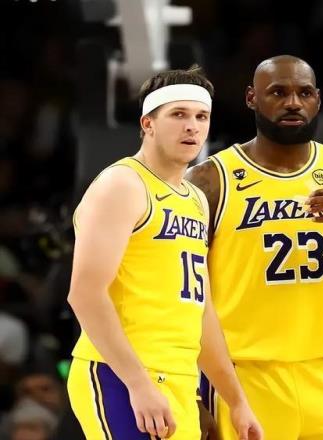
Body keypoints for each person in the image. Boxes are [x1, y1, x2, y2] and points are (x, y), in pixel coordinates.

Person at [186, 55, 323, 439]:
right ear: (252, 98)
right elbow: (180, 293)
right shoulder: (209, 181)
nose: (293, 102)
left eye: (304, 93)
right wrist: (191, 392)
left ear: (317, 100)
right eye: (278, 92)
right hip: (245, 376)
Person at [66, 66, 262, 440]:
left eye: (201, 116)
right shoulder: (123, 184)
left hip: (180, 380)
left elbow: (201, 309)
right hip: (121, 375)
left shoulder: (195, 200)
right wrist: (138, 384)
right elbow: (85, 294)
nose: (192, 127)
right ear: (148, 123)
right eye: (178, 114)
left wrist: (236, 400)